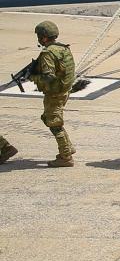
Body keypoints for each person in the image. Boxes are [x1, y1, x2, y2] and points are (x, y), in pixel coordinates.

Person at [29, 21, 77, 167]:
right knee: (48, 118)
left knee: (54, 123)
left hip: (55, 93)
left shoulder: (47, 53)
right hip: (64, 91)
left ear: (43, 37)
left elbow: (49, 76)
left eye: (39, 36)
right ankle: (68, 147)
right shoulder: (63, 49)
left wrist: (33, 77)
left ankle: (65, 156)